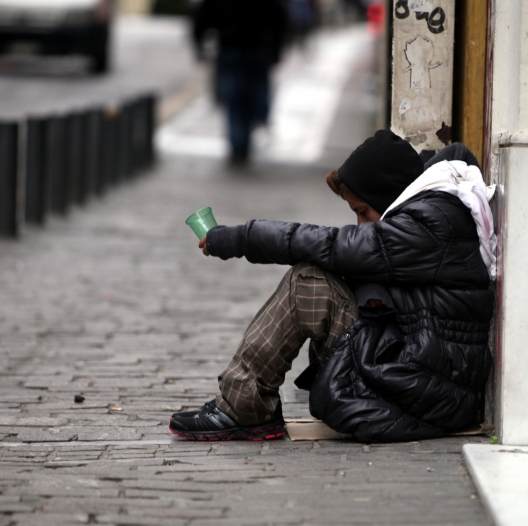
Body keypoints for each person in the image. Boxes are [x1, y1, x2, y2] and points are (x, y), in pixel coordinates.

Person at [169, 131, 496, 443]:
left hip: (426, 393)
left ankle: (244, 407)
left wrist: (238, 238)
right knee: (318, 279)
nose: (361, 223)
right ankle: (244, 403)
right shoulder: (433, 214)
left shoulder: (428, 225)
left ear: (387, 196)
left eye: (362, 212)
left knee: (309, 283)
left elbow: (330, 244)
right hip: (421, 376)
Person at [191, 0, 287, 165]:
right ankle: (241, 144)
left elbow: (202, 17)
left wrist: (199, 45)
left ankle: (238, 146)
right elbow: (279, 17)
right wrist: (276, 50)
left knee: (234, 101)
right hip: (255, 50)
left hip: (233, 49)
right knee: (247, 99)